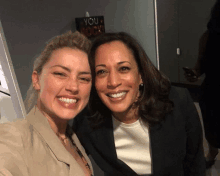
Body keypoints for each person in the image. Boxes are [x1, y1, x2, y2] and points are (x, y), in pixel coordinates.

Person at [73, 32, 206, 176]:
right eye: (102, 71)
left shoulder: (178, 102)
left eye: (123, 68)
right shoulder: (86, 120)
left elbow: (196, 165)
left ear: (141, 75)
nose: (113, 82)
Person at [0, 31, 94, 176]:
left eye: (84, 78)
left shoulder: (73, 138)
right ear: (36, 80)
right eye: (60, 74)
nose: (73, 87)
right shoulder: (14, 137)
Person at [184, 0, 220, 169]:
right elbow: (199, 67)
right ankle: (212, 153)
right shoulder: (207, 37)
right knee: (212, 129)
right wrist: (194, 73)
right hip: (212, 93)